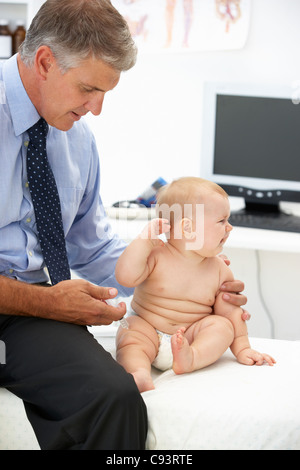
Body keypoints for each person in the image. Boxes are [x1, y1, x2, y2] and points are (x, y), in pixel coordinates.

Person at [0, 0, 248, 450]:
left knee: (114, 398)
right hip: (32, 303)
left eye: (106, 93)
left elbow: (91, 247)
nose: (96, 110)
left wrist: (181, 279)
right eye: (88, 89)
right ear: (44, 61)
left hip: (24, 316)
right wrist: (48, 303)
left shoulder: (76, 139)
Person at [115, 177, 275, 393]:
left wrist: (243, 348)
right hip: (149, 329)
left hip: (190, 337)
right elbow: (125, 277)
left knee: (222, 326)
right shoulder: (155, 255)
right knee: (130, 329)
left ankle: (192, 358)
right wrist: (143, 240)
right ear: (188, 228)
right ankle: (139, 372)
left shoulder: (220, 269)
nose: (230, 227)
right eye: (221, 221)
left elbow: (230, 313)